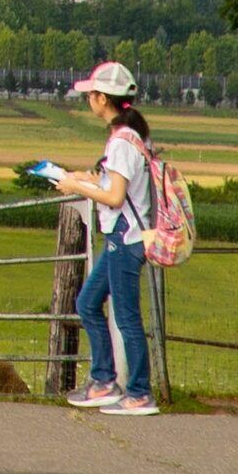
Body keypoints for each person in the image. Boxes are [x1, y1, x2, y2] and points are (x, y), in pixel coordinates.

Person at [38, 62, 159, 417]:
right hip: (120, 236)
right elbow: (116, 185)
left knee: (126, 318)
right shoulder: (131, 135)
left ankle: (139, 391)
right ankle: (104, 380)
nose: (88, 99)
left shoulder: (121, 141)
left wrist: (76, 187)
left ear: (102, 98)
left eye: (91, 94)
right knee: (88, 303)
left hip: (125, 237)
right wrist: (86, 177)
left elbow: (116, 197)